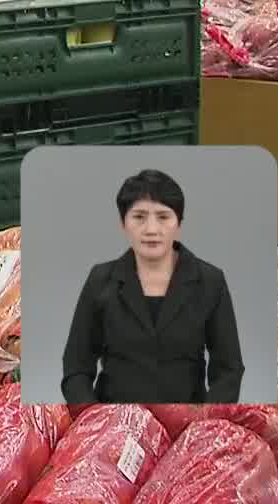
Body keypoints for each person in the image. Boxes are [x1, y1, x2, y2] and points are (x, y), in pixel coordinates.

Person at [61, 169, 244, 405]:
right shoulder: (101, 280)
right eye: (139, 217)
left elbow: (229, 370)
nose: (151, 229)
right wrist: (94, 422)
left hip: (187, 425)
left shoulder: (210, 281)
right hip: (115, 425)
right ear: (122, 223)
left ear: (178, 224)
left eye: (163, 217)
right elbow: (76, 367)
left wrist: (205, 424)